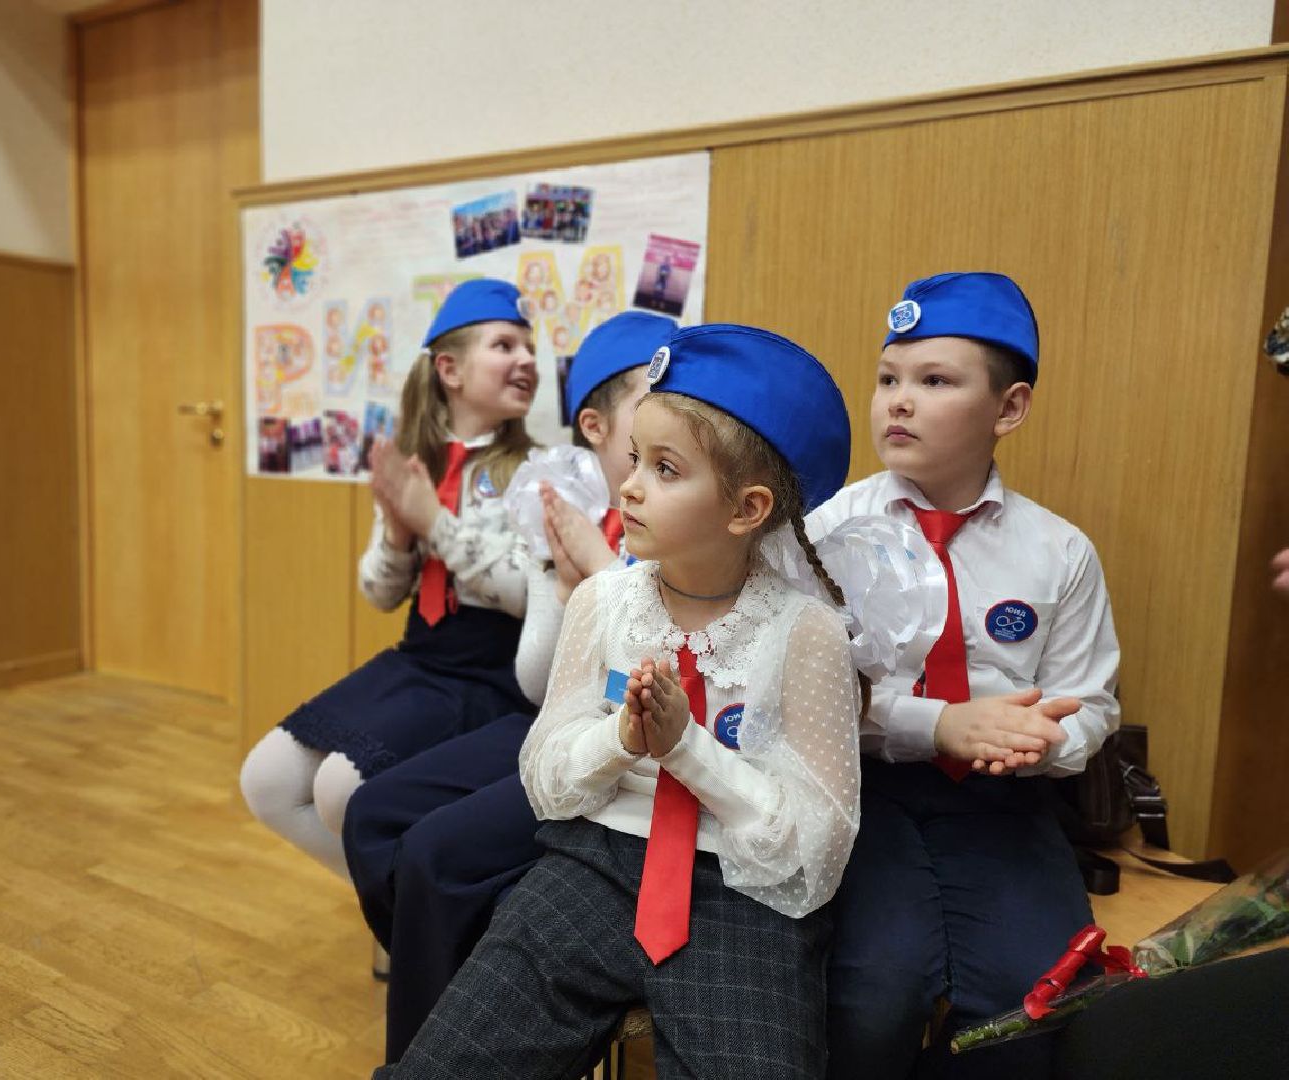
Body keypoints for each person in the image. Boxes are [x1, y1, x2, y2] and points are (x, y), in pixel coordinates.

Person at [378, 322, 862, 1079]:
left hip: (744, 892)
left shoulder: (808, 635)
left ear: (747, 509)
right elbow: (545, 770)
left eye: (665, 469)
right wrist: (623, 742)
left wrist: (687, 749)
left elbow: (817, 846)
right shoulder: (604, 601)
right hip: (592, 866)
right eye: (634, 458)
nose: (629, 484)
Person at [342, 311, 677, 1064]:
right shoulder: (559, 500)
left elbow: (682, 669)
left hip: (627, 743)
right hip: (551, 713)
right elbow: (540, 677)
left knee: (433, 857)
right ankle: (452, 987)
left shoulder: (683, 511)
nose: (673, 420)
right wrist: (564, 585)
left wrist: (599, 576)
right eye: (651, 404)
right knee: (369, 812)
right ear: (594, 427)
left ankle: (434, 1040)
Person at [809, 272, 1121, 1080]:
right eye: (888, 379)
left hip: (1002, 801)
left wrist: (1040, 739)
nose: (897, 402)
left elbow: (1091, 704)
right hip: (863, 792)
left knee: (1037, 999)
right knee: (875, 991)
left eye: (934, 381)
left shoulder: (1058, 551)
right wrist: (935, 725)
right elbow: (799, 694)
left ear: (1008, 409)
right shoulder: (827, 532)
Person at [239, 279, 538, 878]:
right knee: (265, 781)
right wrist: (401, 536)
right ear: (450, 370)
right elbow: (379, 593)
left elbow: (529, 597)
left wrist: (437, 524)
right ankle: (402, 914)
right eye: (505, 346)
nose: (527, 360)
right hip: (421, 657)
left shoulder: (536, 471)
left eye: (529, 348)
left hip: (492, 673)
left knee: (339, 791)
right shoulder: (413, 464)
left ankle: (424, 925)